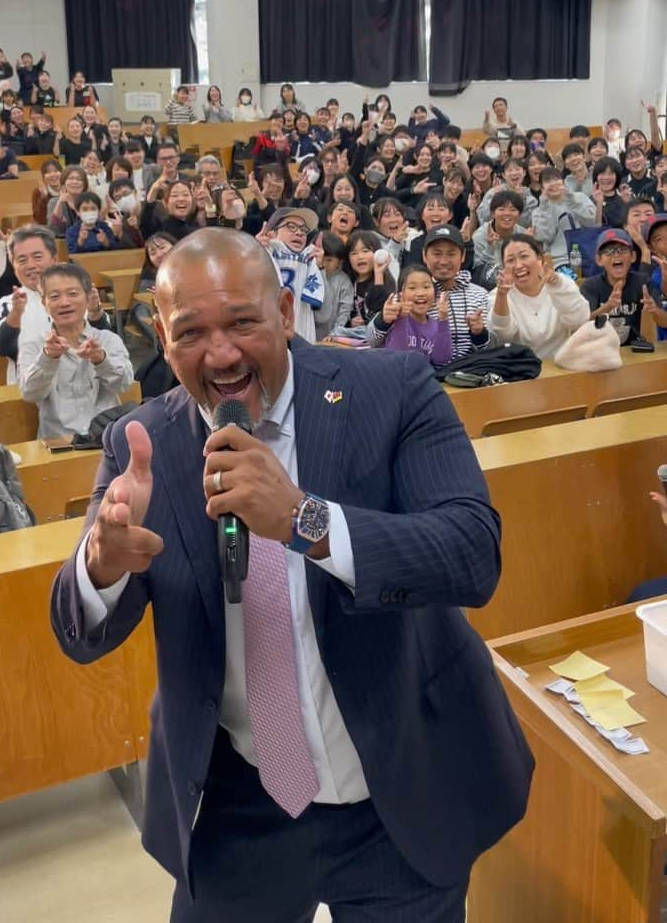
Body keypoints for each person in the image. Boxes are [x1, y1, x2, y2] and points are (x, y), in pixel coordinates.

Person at [51, 229, 533, 922]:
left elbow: (470, 554)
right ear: (161, 333)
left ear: (282, 310)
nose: (220, 355)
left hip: (400, 784)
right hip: (239, 805)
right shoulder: (143, 442)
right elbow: (77, 631)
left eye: (243, 322)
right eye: (191, 332)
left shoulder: (389, 389)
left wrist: (305, 520)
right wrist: (102, 565)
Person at [18, 263, 132, 439]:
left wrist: (100, 359)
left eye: (72, 294)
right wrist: (48, 357)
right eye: (54, 296)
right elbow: (30, 393)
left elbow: (123, 385)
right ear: (44, 303)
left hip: (107, 439)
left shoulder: (108, 340)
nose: (64, 303)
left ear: (87, 298)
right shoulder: (33, 345)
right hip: (58, 442)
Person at [0, 225, 109, 384]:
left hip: (87, 386)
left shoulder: (79, 296)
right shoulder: (5, 306)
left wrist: (94, 312)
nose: (31, 265)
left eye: (37, 257)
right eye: (22, 260)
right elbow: (2, 348)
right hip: (33, 391)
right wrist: (16, 314)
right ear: (13, 265)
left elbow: (106, 340)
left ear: (54, 259)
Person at [487, 234, 590, 360]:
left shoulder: (561, 283)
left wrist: (557, 285)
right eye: (510, 260)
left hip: (563, 364)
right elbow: (502, 336)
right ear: (503, 267)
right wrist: (502, 295)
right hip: (522, 370)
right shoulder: (497, 295)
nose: (518, 265)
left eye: (524, 256)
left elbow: (579, 320)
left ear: (540, 259)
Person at [579, 228, 667, 347]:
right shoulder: (590, 286)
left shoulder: (643, 282)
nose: (616, 254)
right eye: (608, 251)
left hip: (635, 348)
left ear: (633, 256)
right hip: (599, 350)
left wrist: (654, 310)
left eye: (622, 249)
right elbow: (582, 325)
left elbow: (664, 322)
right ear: (599, 260)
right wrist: (607, 307)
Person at [422, 226, 489, 362]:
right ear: (424, 256)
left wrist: (479, 333)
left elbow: (487, 349)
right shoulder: (416, 295)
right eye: (437, 254)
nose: (444, 261)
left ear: (463, 256)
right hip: (429, 374)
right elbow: (375, 339)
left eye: (451, 254)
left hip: (471, 373)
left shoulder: (480, 295)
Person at [259, 206, 325, 342]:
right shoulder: (262, 252)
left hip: (301, 335)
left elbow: (324, 316)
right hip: (269, 334)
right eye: (291, 226)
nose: (299, 233)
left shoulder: (311, 259)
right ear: (272, 233)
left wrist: (320, 267)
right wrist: (254, 251)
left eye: (303, 230)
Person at [367, 265, 452, 364]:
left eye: (426, 287)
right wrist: (402, 318)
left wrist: (444, 320)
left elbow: (441, 359)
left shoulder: (438, 325)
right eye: (412, 288)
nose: (420, 293)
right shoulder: (391, 317)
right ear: (400, 294)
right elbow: (397, 357)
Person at [532, 167, 596, 267]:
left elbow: (593, 223)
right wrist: (544, 208)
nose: (553, 183)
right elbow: (546, 237)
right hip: (559, 261)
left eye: (556, 179)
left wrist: (572, 202)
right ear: (542, 188)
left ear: (563, 182)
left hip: (588, 254)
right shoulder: (538, 211)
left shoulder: (580, 197)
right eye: (548, 181)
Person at [472, 191, 524, 289]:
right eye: (501, 209)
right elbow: (479, 272)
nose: (507, 213)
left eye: (512, 210)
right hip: (490, 285)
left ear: (519, 214)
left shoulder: (522, 234)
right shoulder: (479, 236)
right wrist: (490, 247)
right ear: (493, 213)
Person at [313, 231, 353, 340]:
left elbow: (344, 310)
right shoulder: (310, 273)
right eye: (321, 258)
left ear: (340, 261)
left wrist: (335, 333)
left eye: (329, 260)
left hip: (331, 336)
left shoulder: (343, 281)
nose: (323, 263)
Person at [47, 165, 89, 238]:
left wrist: (74, 207)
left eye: (79, 179)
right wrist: (60, 203)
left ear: (84, 185)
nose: (75, 182)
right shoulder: (54, 202)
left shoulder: (89, 201)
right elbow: (53, 230)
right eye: (70, 178)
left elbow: (91, 225)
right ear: (64, 183)